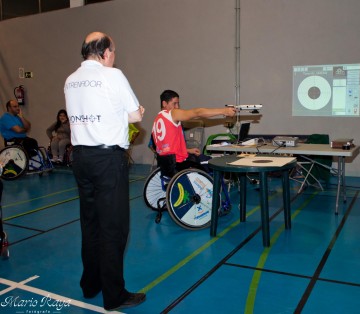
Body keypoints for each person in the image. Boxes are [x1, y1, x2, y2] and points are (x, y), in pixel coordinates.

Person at [64, 31, 145, 311]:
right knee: (114, 228)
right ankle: (114, 295)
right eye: (114, 52)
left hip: (81, 158)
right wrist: (128, 113)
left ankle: (91, 284)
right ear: (106, 53)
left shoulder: (71, 80)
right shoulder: (113, 75)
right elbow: (136, 114)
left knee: (91, 224)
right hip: (107, 160)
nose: (114, 57)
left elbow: (88, 112)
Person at [151, 89, 236, 175]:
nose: (177, 107)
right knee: (215, 162)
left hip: (166, 164)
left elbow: (167, 147)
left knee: (204, 157)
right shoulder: (171, 114)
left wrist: (187, 150)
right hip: (180, 164)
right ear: (164, 103)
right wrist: (224, 111)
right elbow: (198, 112)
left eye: (178, 103)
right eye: (174, 103)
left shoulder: (157, 119)